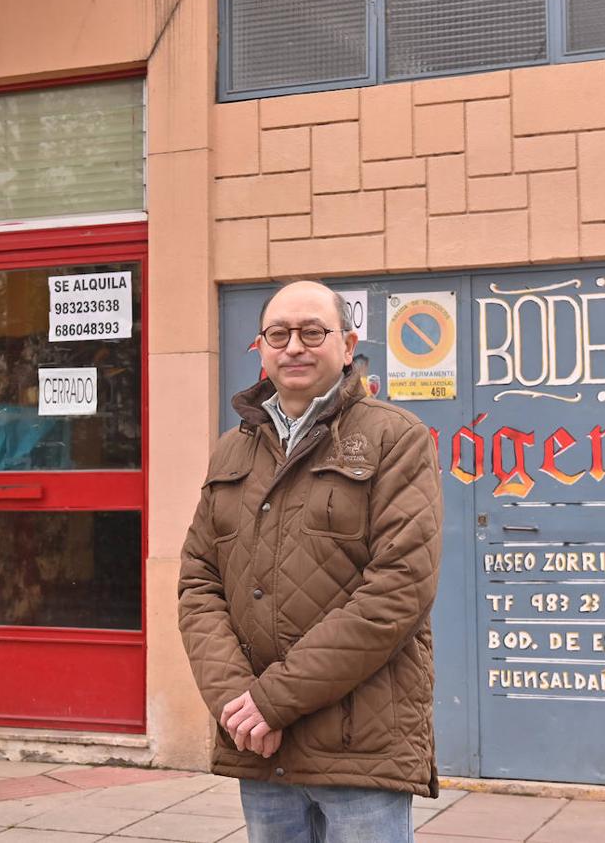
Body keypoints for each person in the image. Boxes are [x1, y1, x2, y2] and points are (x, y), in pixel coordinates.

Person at [177, 280, 443, 843]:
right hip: (262, 746)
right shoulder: (232, 450)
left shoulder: (395, 438)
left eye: (312, 331)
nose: (293, 345)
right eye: (278, 333)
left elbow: (398, 590)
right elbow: (199, 583)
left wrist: (272, 701)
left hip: (359, 746)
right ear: (261, 348)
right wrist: (237, 703)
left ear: (347, 345)